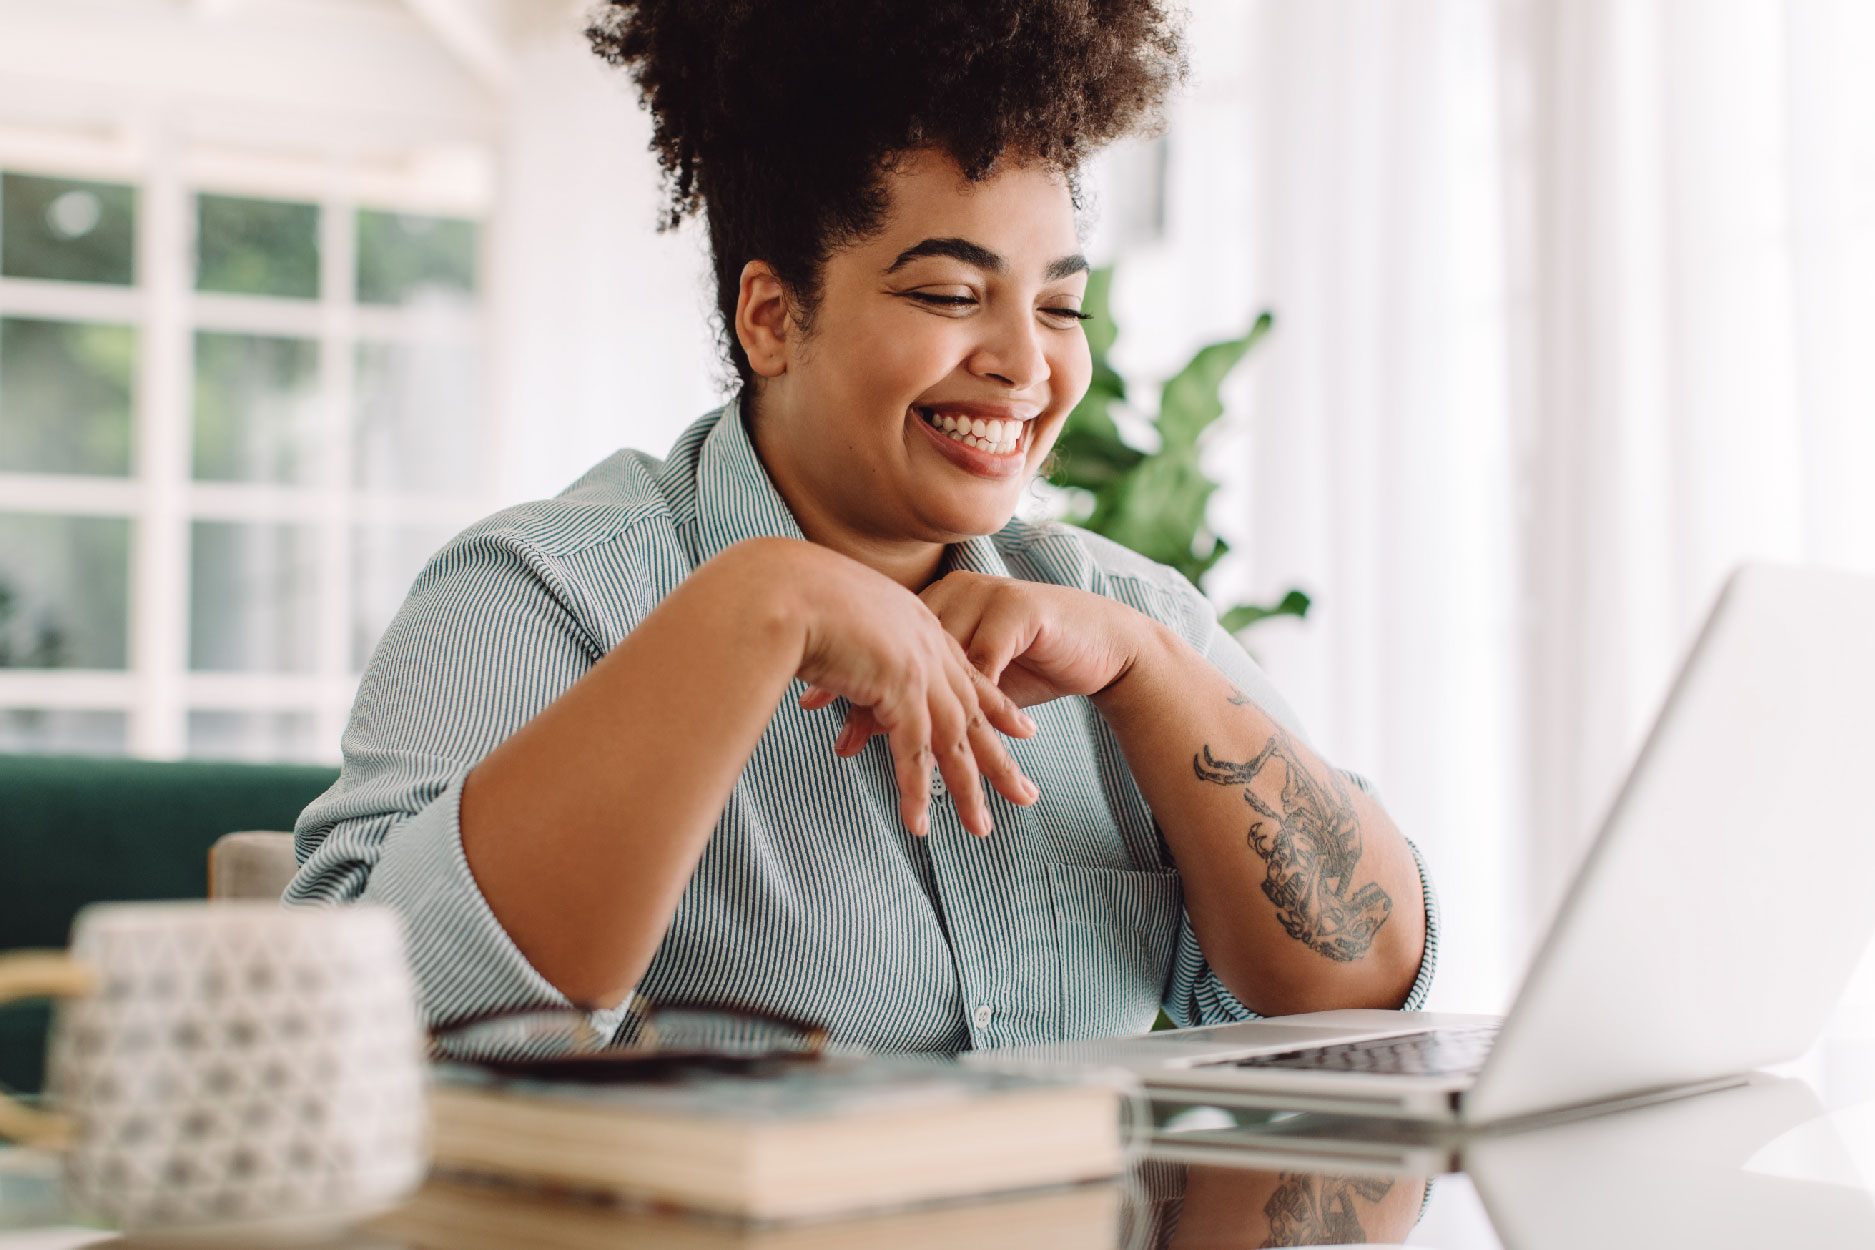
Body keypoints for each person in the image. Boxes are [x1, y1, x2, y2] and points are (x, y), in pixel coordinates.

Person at [289, 0, 1436, 1052]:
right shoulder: (536, 594)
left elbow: (1365, 988)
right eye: (949, 294)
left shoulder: (1122, 619)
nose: (1026, 363)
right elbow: (353, 1021)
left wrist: (1148, 673)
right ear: (774, 316)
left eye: (1059, 305)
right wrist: (756, 608)